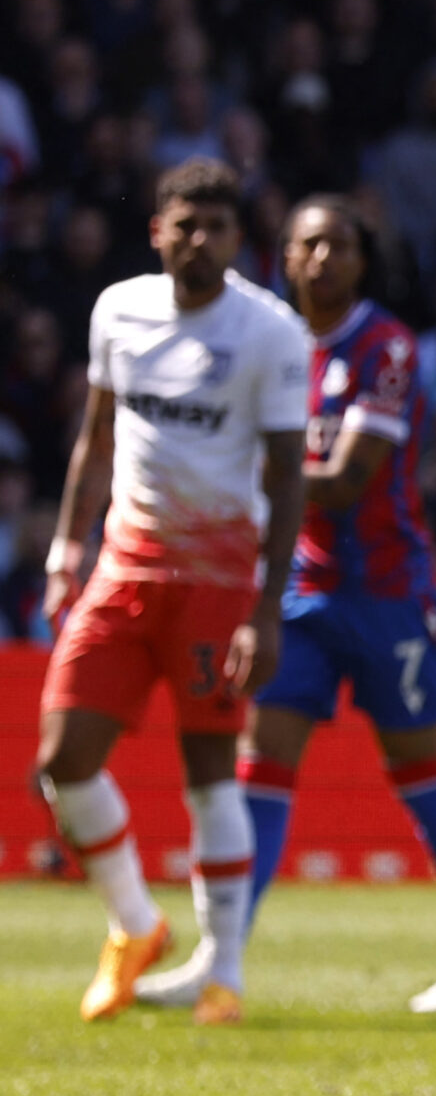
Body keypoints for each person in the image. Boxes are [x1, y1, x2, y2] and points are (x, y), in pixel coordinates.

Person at [135, 196, 436, 1015]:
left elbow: (346, 479)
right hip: (299, 594)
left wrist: (220, 467)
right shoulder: (269, 345)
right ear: (284, 255)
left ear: (360, 260)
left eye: (338, 245)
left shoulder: (385, 347)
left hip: (387, 593)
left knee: (418, 768)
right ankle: (220, 958)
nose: (321, 259)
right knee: (261, 769)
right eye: (308, 244)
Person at [33, 158, 309, 1025]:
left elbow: (290, 478)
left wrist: (267, 612)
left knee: (209, 778)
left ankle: (221, 970)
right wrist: (64, 549)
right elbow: (97, 437)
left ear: (237, 240)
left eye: (216, 227)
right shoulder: (119, 309)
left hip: (218, 583)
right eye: (183, 224)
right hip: (122, 571)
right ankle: (136, 926)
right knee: (63, 762)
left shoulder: (270, 335)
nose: (198, 240)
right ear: (158, 231)